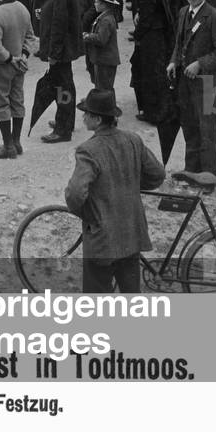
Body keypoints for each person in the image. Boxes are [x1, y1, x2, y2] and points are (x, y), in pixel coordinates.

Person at [64, 88, 165, 292]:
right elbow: (157, 175)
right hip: (132, 234)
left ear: (98, 120)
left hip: (103, 240)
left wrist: (88, 216)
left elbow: (75, 195)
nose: (83, 117)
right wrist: (132, 183)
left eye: (87, 114)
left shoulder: (88, 150)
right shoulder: (133, 140)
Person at [165, 0, 216, 189]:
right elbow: (179, 42)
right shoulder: (184, 12)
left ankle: (209, 176)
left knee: (207, 129)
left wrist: (200, 63)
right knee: (190, 125)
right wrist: (174, 61)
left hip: (207, 83)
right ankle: (192, 170)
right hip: (186, 81)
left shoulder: (214, 17)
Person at [28, 0, 82, 144]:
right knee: (67, 84)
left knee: (62, 87)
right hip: (69, 47)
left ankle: (62, 128)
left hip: (61, 50)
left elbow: (59, 26)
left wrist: (53, 53)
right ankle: (67, 120)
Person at [0, 0, 35, 161]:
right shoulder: (22, 8)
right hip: (20, 65)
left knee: (0, 102)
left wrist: (9, 59)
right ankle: (16, 142)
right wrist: (23, 56)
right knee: (17, 100)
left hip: (3, 66)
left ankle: (7, 146)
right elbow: (31, 37)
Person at [129, 0, 174, 128]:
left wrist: (138, 34)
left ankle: (156, 113)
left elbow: (146, 18)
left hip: (151, 35)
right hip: (158, 32)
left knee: (151, 74)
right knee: (155, 72)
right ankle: (157, 110)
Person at [83, 0, 121, 89]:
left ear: (104, 4)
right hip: (103, 60)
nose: (95, 4)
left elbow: (101, 39)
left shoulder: (105, 20)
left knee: (104, 88)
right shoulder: (105, 16)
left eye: (96, 2)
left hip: (105, 61)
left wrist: (87, 36)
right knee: (102, 86)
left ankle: (106, 105)